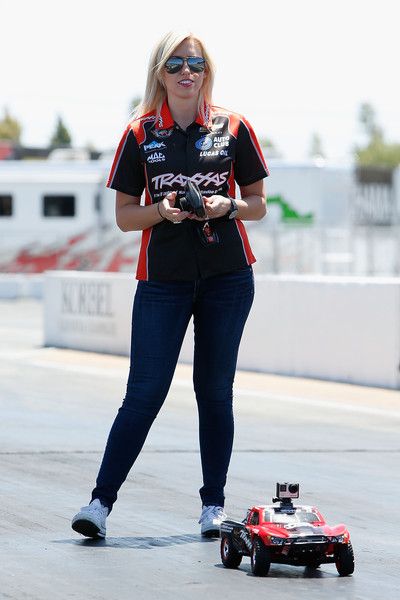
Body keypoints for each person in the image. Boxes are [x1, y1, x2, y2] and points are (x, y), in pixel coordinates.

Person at [71, 30, 269, 539]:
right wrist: (162, 210)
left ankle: (213, 506)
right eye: (176, 63)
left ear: (207, 72)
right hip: (162, 281)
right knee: (144, 393)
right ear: (160, 72)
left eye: (196, 64)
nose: (187, 72)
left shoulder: (235, 126)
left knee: (214, 392)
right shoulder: (140, 134)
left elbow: (258, 203)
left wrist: (227, 205)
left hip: (228, 277)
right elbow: (123, 217)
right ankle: (99, 504)